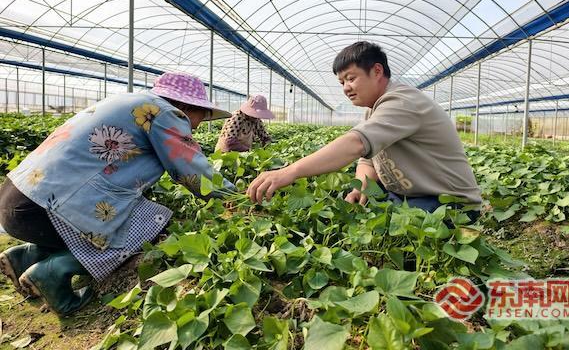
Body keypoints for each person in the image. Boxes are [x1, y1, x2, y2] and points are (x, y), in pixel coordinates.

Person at [0, 72, 235, 316]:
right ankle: (53, 272)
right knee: (151, 225)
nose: (197, 125)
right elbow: (192, 170)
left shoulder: (127, 101)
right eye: (202, 115)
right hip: (45, 208)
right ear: (186, 106)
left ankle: (24, 257)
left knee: (124, 213)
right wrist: (232, 198)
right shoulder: (164, 113)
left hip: (17, 198)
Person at [246, 42, 482, 218]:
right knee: (353, 211)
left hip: (448, 203)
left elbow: (357, 144)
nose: (346, 88)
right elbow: (367, 160)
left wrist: (290, 171)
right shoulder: (373, 110)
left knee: (383, 229)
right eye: (342, 83)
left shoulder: (402, 101)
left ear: (377, 71)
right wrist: (361, 186)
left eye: (351, 78)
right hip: (408, 196)